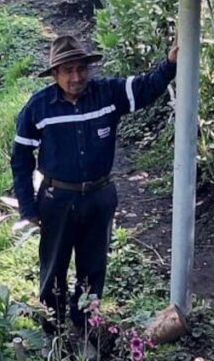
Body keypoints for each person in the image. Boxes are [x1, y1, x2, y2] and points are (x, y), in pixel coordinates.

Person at [11, 34, 177, 331]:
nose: (76, 77)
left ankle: (85, 321)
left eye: (81, 69)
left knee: (93, 264)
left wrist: (171, 64)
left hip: (99, 197)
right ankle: (54, 322)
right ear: (55, 74)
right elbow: (21, 158)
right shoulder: (39, 107)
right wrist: (28, 206)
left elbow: (145, 87)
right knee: (54, 264)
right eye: (68, 71)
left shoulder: (107, 94)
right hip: (57, 199)